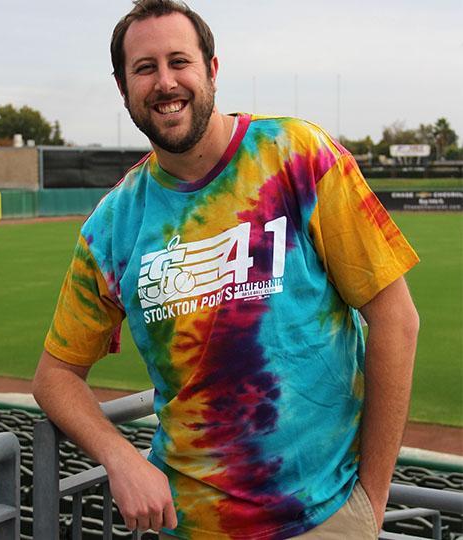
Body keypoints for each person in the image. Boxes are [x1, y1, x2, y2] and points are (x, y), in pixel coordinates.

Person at [32, 1, 420, 538]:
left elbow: (396, 318)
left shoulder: (296, 155)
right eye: (145, 69)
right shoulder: (112, 226)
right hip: (188, 524)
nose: (165, 82)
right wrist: (120, 458)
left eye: (179, 62)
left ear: (212, 69)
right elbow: (54, 375)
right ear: (124, 88)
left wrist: (372, 500)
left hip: (325, 516)